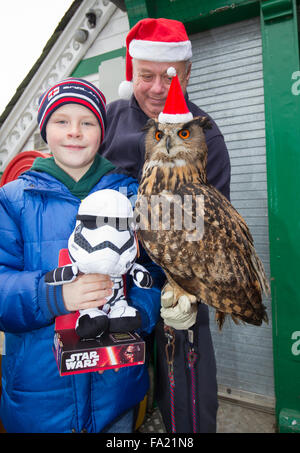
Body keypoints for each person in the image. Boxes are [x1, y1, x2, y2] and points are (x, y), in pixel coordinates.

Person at [0, 77, 164, 433]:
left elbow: (153, 269)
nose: (74, 131)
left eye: (87, 122)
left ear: (101, 132)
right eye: (62, 121)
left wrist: (140, 313)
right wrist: (56, 295)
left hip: (115, 393)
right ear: (45, 130)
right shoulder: (13, 201)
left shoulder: (132, 195)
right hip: (40, 401)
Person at [100, 18, 231, 433]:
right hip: (113, 285)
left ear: (187, 73)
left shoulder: (205, 134)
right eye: (147, 76)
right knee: (113, 391)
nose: (158, 87)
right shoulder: (107, 121)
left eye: (170, 75)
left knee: (187, 396)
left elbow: (217, 222)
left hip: (180, 284)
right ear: (131, 74)